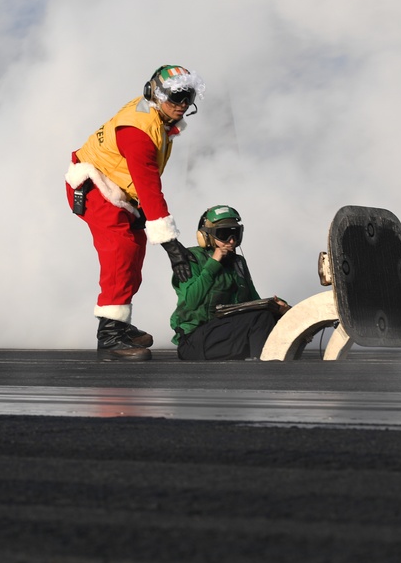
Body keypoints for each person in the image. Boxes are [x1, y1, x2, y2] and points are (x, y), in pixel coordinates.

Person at [65, 65, 204, 362]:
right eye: (176, 96)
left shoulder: (158, 117)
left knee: (135, 248)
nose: (182, 104)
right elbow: (150, 188)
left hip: (118, 189)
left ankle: (118, 323)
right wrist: (172, 246)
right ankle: (109, 338)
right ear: (155, 94)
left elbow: (142, 184)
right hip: (94, 186)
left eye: (188, 96)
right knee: (121, 250)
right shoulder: (139, 132)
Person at [170, 205, 290, 361]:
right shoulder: (190, 258)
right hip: (194, 341)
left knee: (271, 316)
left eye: (235, 234)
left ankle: (269, 365)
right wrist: (213, 264)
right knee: (261, 318)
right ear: (206, 236)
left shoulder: (238, 262)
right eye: (224, 234)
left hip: (225, 334)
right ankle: (264, 371)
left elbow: (252, 303)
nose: (231, 241)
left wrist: (278, 307)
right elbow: (191, 302)